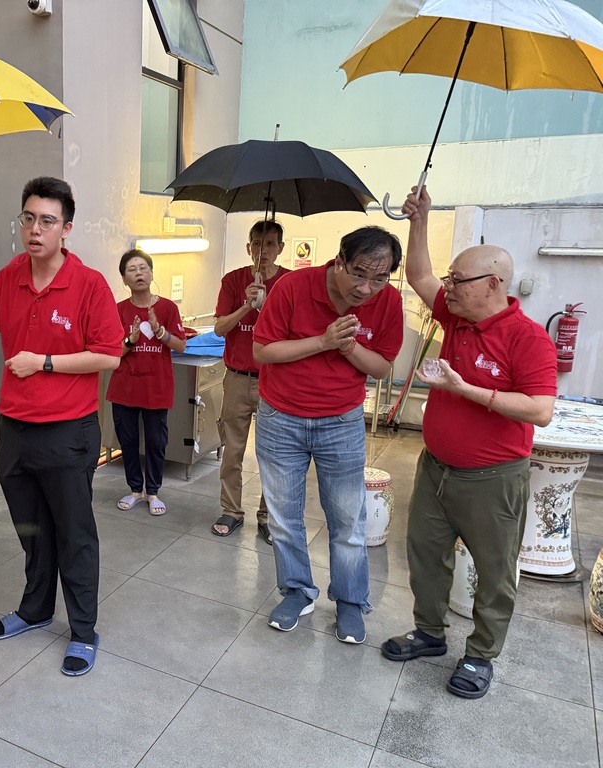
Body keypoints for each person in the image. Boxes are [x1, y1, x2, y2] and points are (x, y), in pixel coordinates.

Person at [0, 176, 123, 676]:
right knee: (32, 529)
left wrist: (44, 362)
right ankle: (35, 609)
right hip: (15, 429)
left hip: (68, 432)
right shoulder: (11, 276)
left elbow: (109, 355)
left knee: (74, 534)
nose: (36, 229)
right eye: (29, 218)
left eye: (48, 221)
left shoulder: (89, 284)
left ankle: (83, 631)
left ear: (66, 229)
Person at [381, 187, 557, 699]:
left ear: (494, 284)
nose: (448, 287)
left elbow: (540, 410)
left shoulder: (527, 338)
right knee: (424, 554)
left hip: (493, 479)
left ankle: (480, 655)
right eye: (451, 278)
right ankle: (429, 633)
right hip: (436, 467)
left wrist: (466, 390)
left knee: (495, 570)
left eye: (459, 280)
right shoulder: (457, 316)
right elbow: (419, 276)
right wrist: (420, 220)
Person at [253, 226, 404, 644]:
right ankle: (297, 591)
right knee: (284, 517)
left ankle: (351, 600)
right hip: (280, 418)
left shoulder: (388, 301)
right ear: (339, 261)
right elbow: (263, 350)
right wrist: (322, 340)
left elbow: (381, 367)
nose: (366, 288)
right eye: (359, 273)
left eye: (380, 278)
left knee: (348, 519)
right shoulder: (293, 287)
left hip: (341, 421)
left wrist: (348, 347)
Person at [211, 220, 290, 541]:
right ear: (248, 247)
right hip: (238, 379)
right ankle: (231, 510)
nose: (263, 251)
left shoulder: (289, 283)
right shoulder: (233, 281)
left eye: (270, 244)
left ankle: (268, 516)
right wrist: (247, 304)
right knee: (232, 450)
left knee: (274, 454)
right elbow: (219, 328)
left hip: (276, 380)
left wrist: (267, 303)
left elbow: (294, 331)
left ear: (280, 248)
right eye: (257, 244)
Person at [107, 249, 186, 516]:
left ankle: (153, 492)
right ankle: (135, 490)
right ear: (124, 279)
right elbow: (113, 353)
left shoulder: (168, 308)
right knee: (127, 440)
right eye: (132, 270)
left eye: (143, 268)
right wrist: (130, 340)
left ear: (151, 273)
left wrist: (160, 332)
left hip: (157, 387)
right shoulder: (118, 310)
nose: (139, 273)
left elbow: (181, 346)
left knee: (156, 441)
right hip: (125, 387)